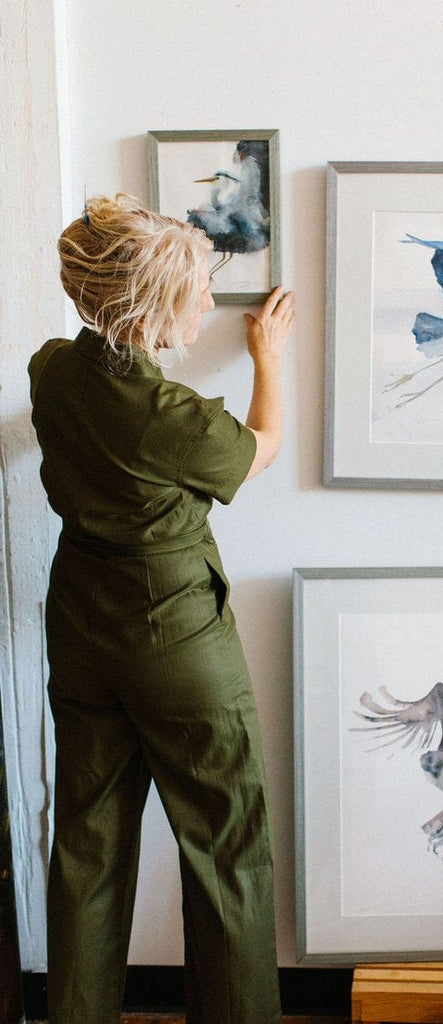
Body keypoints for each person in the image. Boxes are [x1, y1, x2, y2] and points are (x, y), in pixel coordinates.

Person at [28, 193, 294, 1024]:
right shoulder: (170, 418)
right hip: (173, 632)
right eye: (196, 291)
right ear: (147, 304)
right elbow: (260, 452)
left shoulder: (51, 369)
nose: (210, 304)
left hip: (78, 621)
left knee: (88, 845)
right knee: (226, 849)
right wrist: (269, 358)